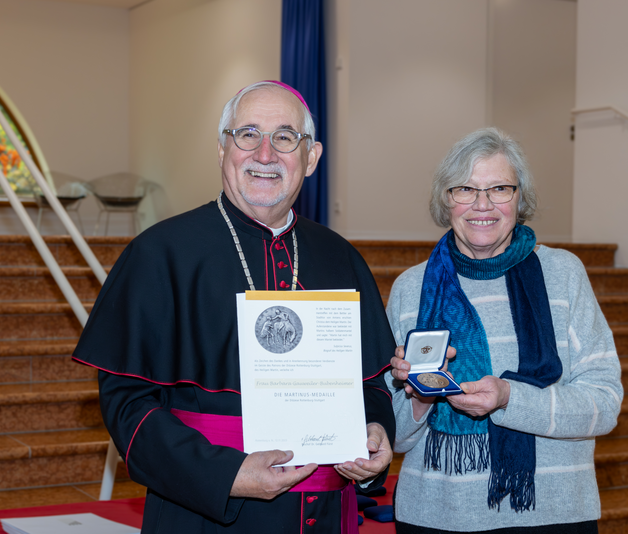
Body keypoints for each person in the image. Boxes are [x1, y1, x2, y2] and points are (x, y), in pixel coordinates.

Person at [73, 81, 395, 534]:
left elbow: (371, 385)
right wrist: (227, 475)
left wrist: (378, 431)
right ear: (223, 150)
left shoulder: (340, 257)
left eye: (285, 137)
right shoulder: (161, 254)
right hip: (203, 512)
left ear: (312, 157)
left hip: (323, 516)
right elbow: (127, 406)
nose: (265, 154)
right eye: (247, 134)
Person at [387, 127, 623, 534]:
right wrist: (419, 396)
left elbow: (604, 404)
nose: (482, 205)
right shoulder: (411, 288)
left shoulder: (562, 275)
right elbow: (394, 436)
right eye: (465, 189)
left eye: (499, 188)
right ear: (447, 200)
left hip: (554, 514)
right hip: (436, 516)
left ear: (519, 199)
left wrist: (509, 399)